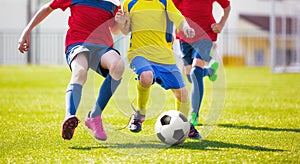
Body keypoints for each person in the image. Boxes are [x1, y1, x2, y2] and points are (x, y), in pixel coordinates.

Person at [18, 0, 127, 141]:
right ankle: (70, 116)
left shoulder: (111, 2)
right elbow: (48, 8)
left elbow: (115, 30)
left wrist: (120, 22)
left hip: (102, 46)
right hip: (78, 43)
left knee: (118, 66)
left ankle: (94, 116)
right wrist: (26, 31)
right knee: (80, 73)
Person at [121, 0, 201, 139]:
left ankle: (184, 124)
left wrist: (186, 27)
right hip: (139, 53)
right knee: (146, 76)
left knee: (182, 94)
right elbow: (125, 30)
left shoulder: (165, 2)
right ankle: (139, 114)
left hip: (165, 57)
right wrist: (123, 22)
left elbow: (178, 18)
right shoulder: (129, 3)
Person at [173, 0, 231, 126]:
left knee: (195, 73)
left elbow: (227, 7)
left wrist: (220, 24)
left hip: (205, 35)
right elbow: (170, 9)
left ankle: (194, 114)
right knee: (189, 76)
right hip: (185, 36)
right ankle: (209, 71)